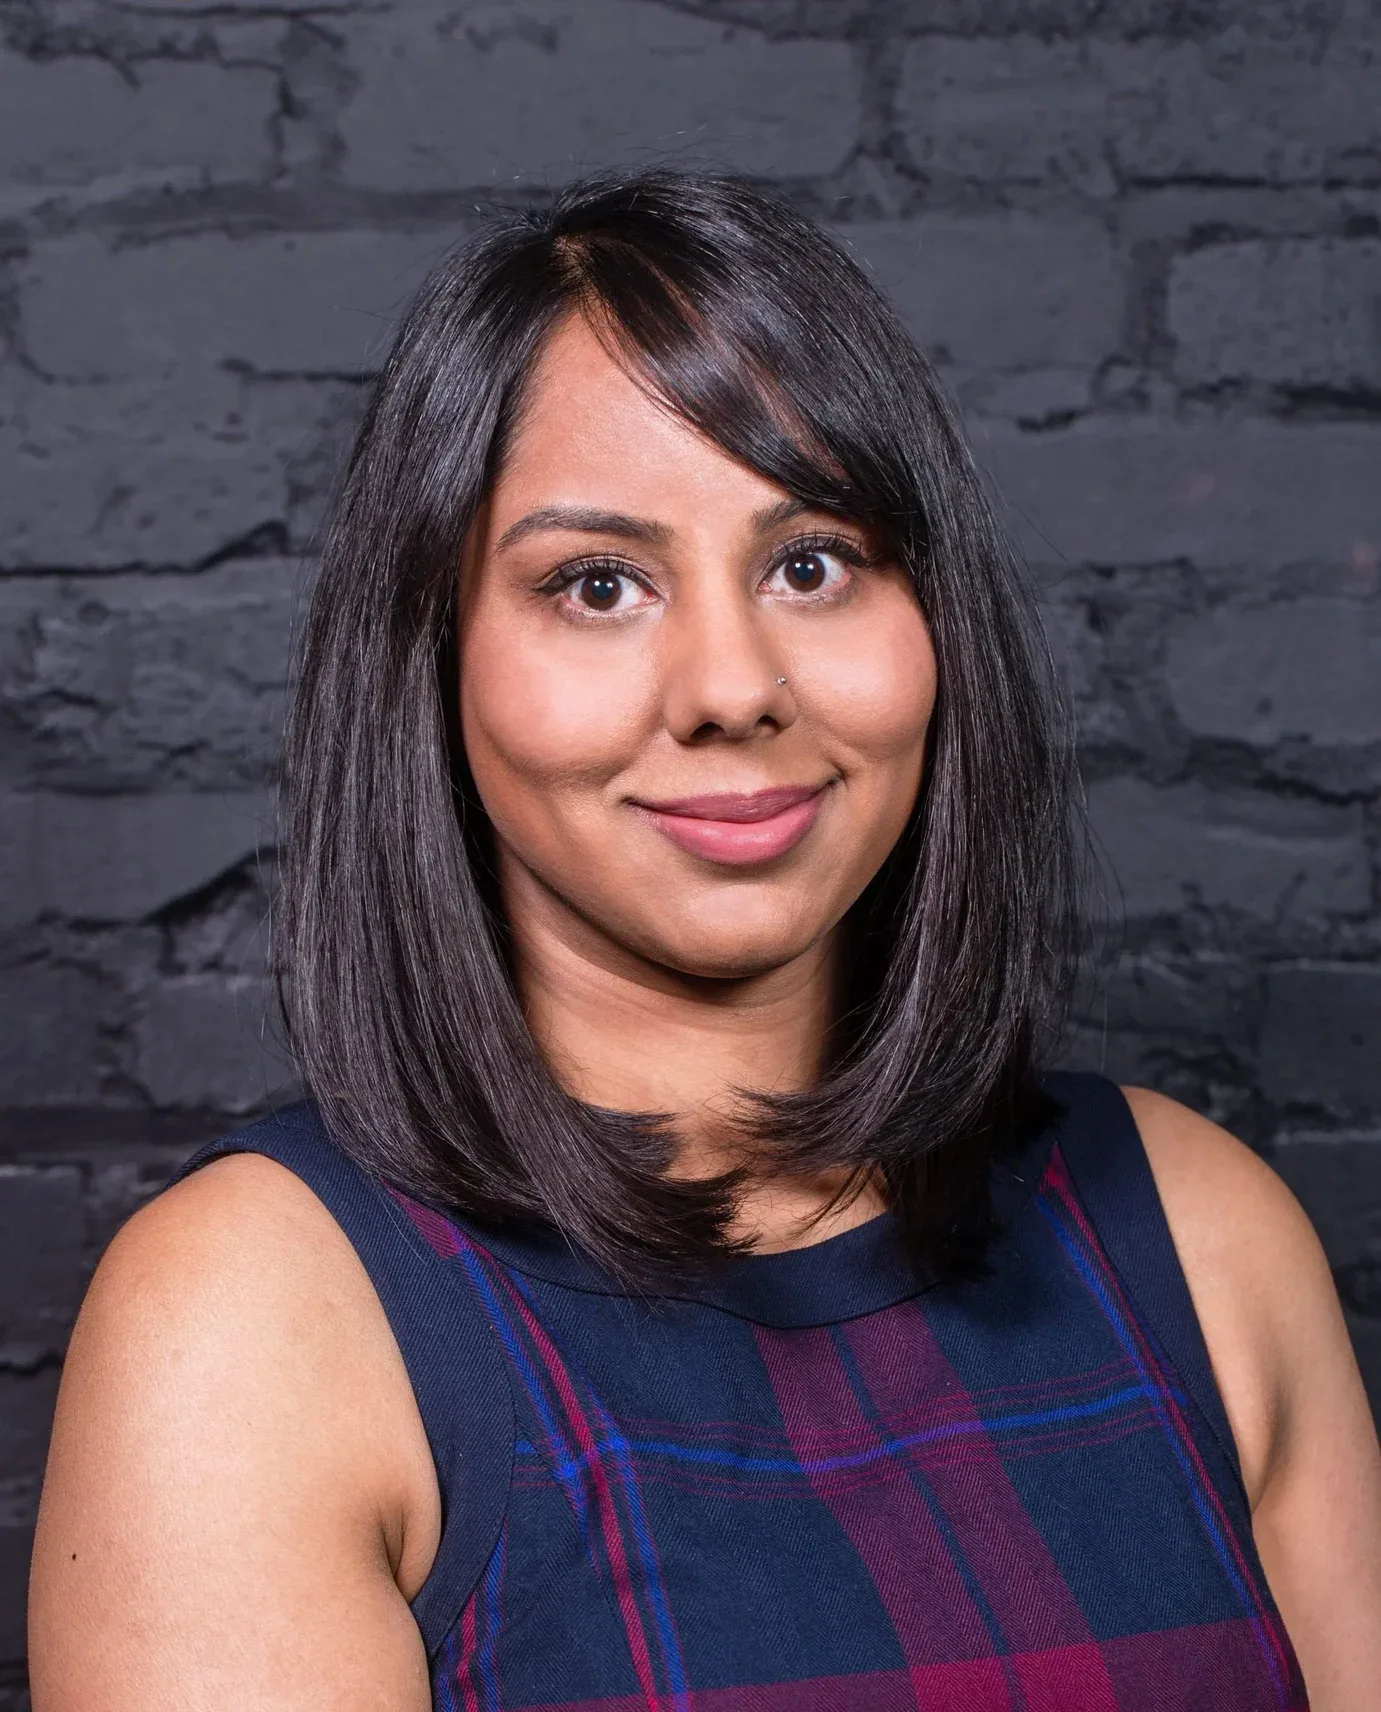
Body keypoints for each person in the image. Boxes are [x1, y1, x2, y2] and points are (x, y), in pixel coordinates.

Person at [28, 171, 1381, 1712]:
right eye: (598, 585)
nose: (731, 687)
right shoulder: (256, 1320)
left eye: (812, 563)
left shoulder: (1202, 1235)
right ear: (437, 657)